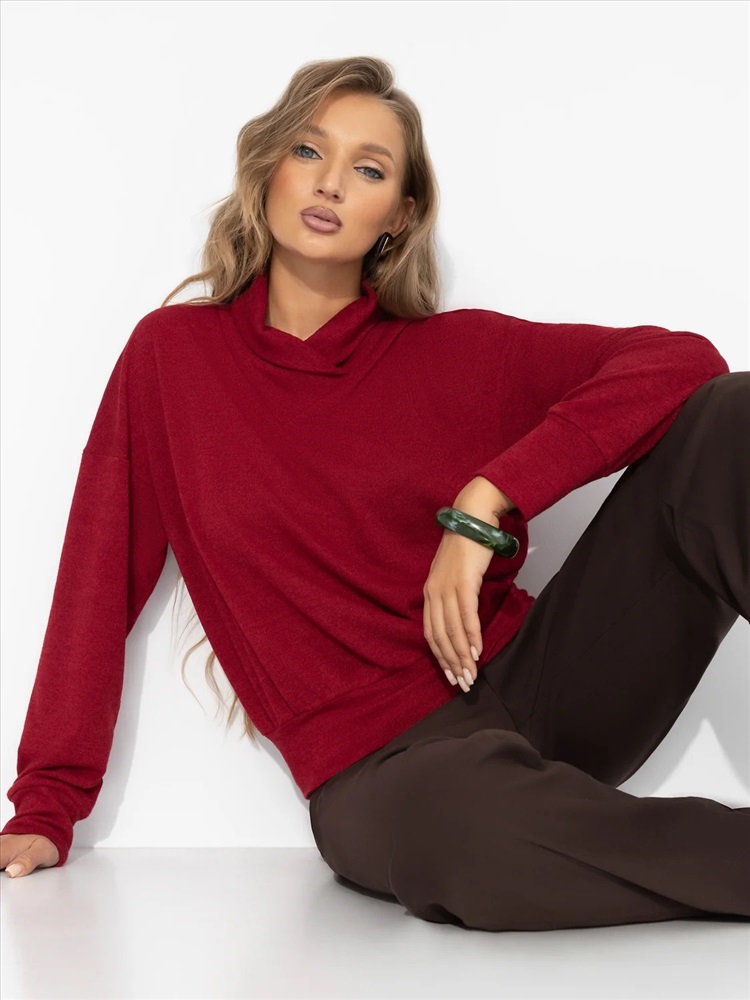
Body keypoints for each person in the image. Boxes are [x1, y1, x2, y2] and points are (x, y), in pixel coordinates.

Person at [1, 55, 748, 933]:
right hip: (383, 772)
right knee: (468, 831)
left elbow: (683, 362)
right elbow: (96, 578)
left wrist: (487, 501)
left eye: (368, 168)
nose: (330, 183)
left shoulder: (453, 353)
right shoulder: (172, 360)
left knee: (732, 420)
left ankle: (555, 822)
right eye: (309, 151)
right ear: (268, 169)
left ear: (398, 214)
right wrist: (48, 799)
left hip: (545, 688)